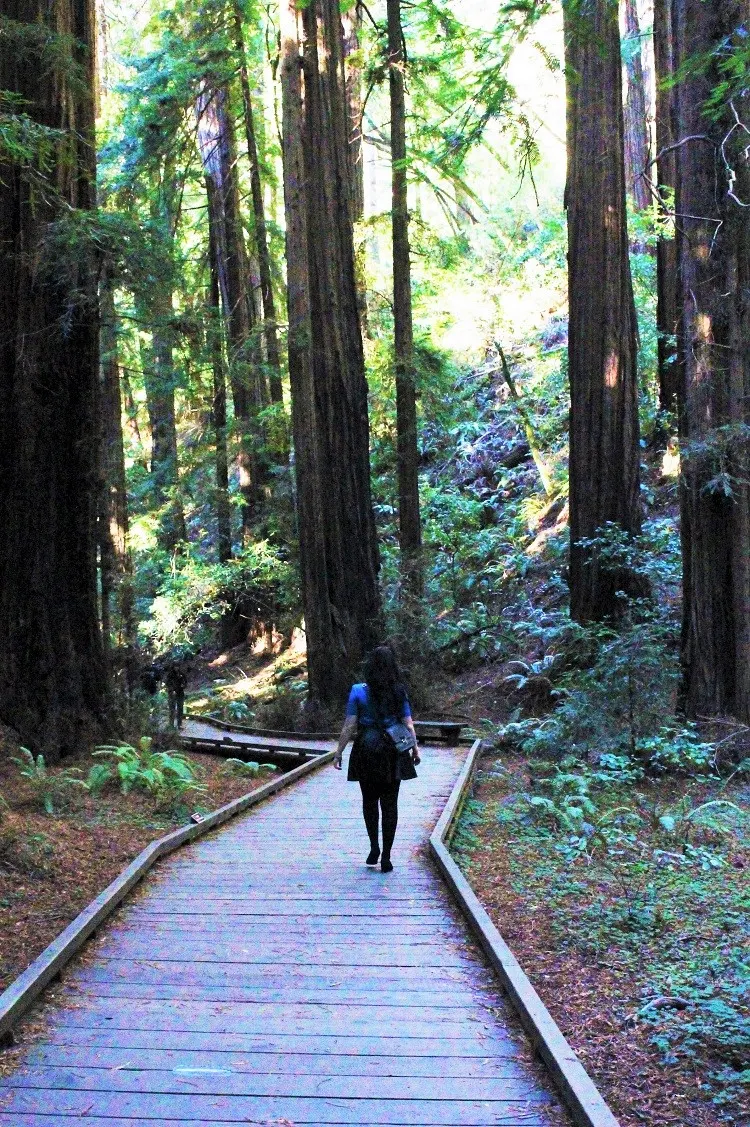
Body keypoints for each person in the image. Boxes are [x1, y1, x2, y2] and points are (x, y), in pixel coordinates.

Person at [333, 645, 420, 873]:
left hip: (367, 748)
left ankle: (374, 847)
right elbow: (408, 723)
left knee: (369, 801)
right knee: (390, 803)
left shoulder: (358, 691)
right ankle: (387, 856)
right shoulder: (399, 691)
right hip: (393, 749)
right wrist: (415, 749)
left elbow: (350, 725)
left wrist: (339, 751)